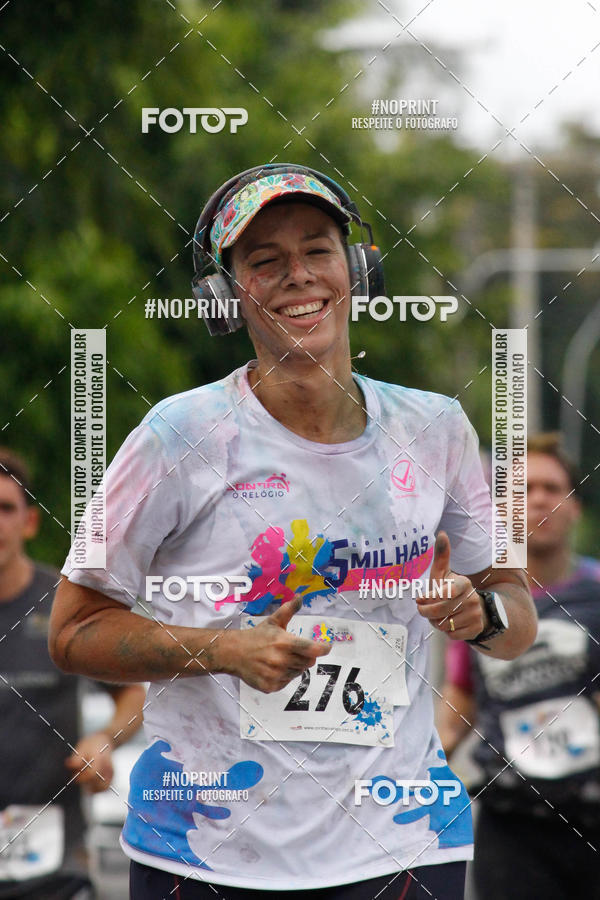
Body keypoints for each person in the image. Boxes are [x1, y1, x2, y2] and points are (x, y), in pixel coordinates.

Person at [49, 164, 536, 900]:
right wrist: (221, 651)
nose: (298, 276)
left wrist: (481, 614)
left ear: (357, 269)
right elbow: (72, 631)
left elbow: (516, 616)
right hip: (205, 850)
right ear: (224, 294)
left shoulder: (436, 428)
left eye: (317, 250)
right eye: (265, 260)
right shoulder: (177, 435)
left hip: (401, 843)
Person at [438, 433, 600, 899]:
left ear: (575, 507)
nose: (540, 499)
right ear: (499, 512)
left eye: (553, 488)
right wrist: (417, 775)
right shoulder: (476, 604)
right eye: (524, 490)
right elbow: (459, 703)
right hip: (512, 822)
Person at [0, 448, 146, 899]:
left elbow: (133, 694)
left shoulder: (63, 605)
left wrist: (103, 740)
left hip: (57, 869)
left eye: (5, 508)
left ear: (29, 522)